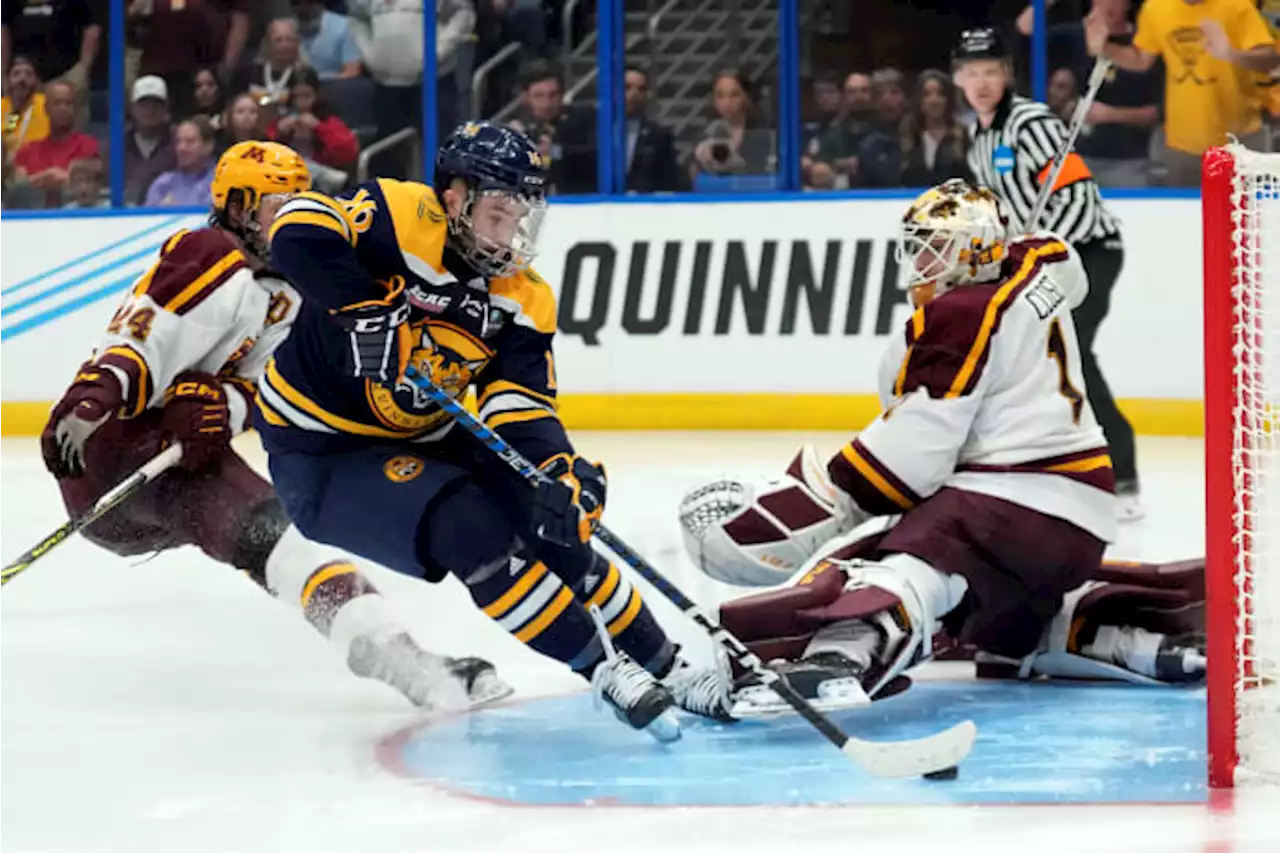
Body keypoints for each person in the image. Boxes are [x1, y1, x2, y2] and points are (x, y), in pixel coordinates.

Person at [258, 121, 733, 741]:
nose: (513, 234)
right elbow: (294, 227)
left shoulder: (523, 297)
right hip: (322, 450)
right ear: (453, 198)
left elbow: (521, 404)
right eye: (500, 213)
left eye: (522, 216)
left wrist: (559, 476)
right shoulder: (398, 214)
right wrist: (360, 308)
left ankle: (665, 665)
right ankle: (600, 668)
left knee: (557, 528)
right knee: (470, 529)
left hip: (425, 431)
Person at [675, 179, 1205, 719]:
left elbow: (912, 456)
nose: (921, 258)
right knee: (995, 613)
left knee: (899, 559)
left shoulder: (959, 316)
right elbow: (1064, 259)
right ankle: (1104, 636)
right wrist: (1014, 245)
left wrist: (828, 499)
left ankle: (843, 657)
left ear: (973, 249)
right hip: (1083, 515)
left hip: (1014, 503)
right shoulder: (1035, 262)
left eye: (934, 244)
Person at [40, 140, 509, 712]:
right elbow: (143, 334)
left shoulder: (292, 289)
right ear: (239, 209)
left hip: (178, 467)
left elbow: (262, 390)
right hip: (113, 459)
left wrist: (220, 413)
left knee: (282, 546)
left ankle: (408, 663)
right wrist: (94, 396)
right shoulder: (209, 252)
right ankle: (411, 666)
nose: (291, 218)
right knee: (276, 534)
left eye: (299, 204)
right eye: (276, 206)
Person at [954, 27, 1141, 522]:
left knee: (1073, 350)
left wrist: (1039, 254)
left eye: (991, 70)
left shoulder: (1031, 124)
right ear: (958, 79)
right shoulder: (978, 141)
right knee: (1041, 357)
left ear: (1007, 74)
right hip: (1048, 263)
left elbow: (1078, 201)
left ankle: (1122, 475)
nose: (982, 82)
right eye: (972, 72)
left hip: (1090, 252)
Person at [1087, 0, 1278, 187]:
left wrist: (1231, 54)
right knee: (1184, 212)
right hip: (1183, 145)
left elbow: (1271, 60)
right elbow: (1141, 60)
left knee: (1249, 212)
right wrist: (1104, 48)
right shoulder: (1156, 8)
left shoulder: (1238, 6)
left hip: (1241, 140)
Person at [10, 79, 99, 209]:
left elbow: (87, 183)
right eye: (57, 103)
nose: (62, 108)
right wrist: (48, 175)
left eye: (68, 103)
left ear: (75, 108)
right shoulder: (28, 149)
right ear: (46, 108)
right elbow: (17, 187)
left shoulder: (88, 145)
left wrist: (38, 180)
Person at [144, 116, 217, 207]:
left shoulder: (223, 183)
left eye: (190, 142)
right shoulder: (163, 184)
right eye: (178, 142)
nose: (181, 148)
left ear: (208, 146)